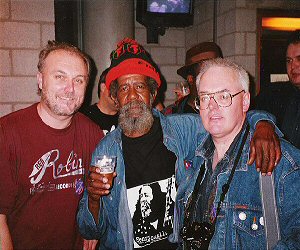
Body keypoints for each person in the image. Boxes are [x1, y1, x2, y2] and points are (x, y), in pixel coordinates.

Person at [77, 38, 281, 249]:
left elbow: (228, 118)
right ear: (116, 99)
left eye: (139, 86)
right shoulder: (106, 150)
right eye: (123, 89)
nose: (132, 96)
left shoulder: (183, 130)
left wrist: (262, 124)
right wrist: (93, 198)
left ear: (152, 94)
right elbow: (90, 230)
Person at [177, 58, 300, 249]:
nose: (212, 105)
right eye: (205, 97)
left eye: (224, 96)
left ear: (245, 101)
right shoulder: (195, 158)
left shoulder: (280, 162)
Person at [0, 41, 104, 249]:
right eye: (60, 77)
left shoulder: (92, 133)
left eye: (79, 80)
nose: (70, 89)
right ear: (40, 80)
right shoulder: (7, 133)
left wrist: (92, 224)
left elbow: (97, 193)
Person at [255, 30, 300, 148]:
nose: (293, 66)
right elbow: (252, 110)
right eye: (288, 60)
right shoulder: (274, 92)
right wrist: (262, 122)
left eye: (299, 59)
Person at [163, 41, 223, 114]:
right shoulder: (172, 116)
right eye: (206, 75)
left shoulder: (227, 111)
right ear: (191, 79)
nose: (214, 79)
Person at [81, 68, 119, 135]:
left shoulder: (127, 119)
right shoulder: (84, 118)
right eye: (116, 88)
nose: (120, 94)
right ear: (103, 87)